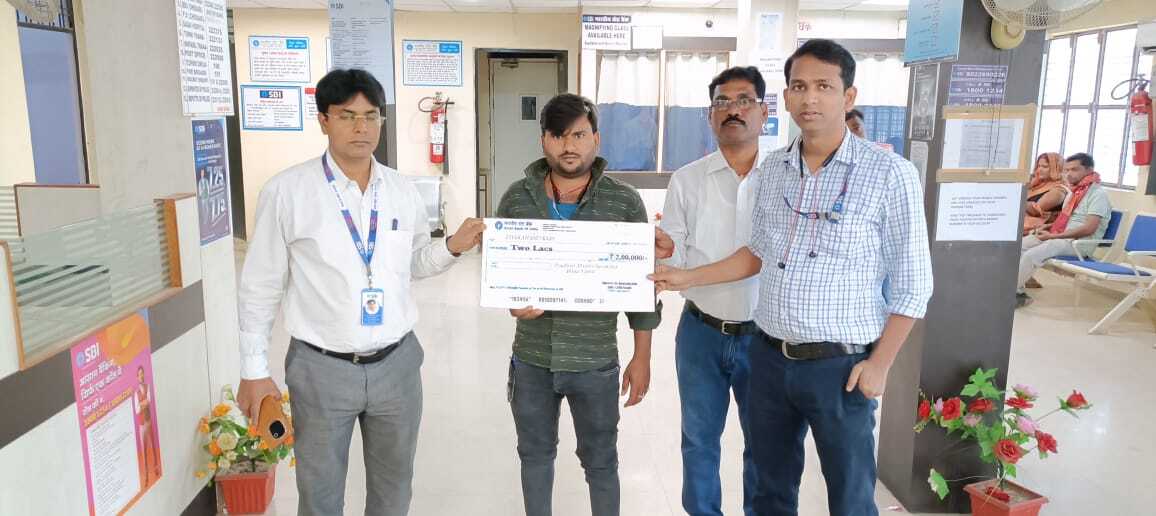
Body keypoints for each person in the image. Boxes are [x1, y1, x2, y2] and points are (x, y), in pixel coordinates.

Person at [651, 39, 934, 516]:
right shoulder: (776, 172)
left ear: (848, 96)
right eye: (799, 87)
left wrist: (880, 364)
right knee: (771, 491)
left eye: (824, 86)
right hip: (769, 360)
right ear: (785, 98)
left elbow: (914, 284)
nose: (810, 98)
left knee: (850, 497)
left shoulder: (890, 173)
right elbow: (756, 254)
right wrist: (686, 277)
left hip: (841, 367)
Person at [235, 68, 485, 516]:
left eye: (371, 116)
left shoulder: (402, 190)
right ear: (323, 120)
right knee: (320, 495)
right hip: (321, 369)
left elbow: (411, 263)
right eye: (347, 116)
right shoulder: (287, 192)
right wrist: (255, 369)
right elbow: (260, 286)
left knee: (394, 491)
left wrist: (451, 247)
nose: (361, 127)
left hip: (397, 366)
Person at [496, 93, 661, 516]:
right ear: (543, 140)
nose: (569, 146)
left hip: (594, 361)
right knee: (534, 456)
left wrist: (642, 356)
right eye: (558, 136)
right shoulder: (517, 198)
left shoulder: (624, 202)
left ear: (596, 139)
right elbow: (502, 272)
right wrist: (511, 300)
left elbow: (641, 290)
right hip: (532, 359)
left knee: (601, 462)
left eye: (579, 135)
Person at [654, 66, 767, 516]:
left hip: (767, 337)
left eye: (744, 101)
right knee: (699, 440)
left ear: (763, 112)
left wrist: (686, 276)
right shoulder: (687, 179)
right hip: (701, 333)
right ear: (710, 114)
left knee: (765, 443)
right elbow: (675, 252)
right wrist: (664, 255)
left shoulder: (784, 176)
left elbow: (768, 254)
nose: (732, 110)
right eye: (722, 102)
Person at [1016, 153, 1111, 308]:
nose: (1068, 174)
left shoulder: (1098, 194)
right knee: (1019, 246)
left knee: (1031, 255)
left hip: (1079, 244)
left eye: (1074, 169)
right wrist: (1048, 227)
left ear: (1089, 170)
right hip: (1061, 237)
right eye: (1066, 170)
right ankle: (1013, 286)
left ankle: (1014, 293)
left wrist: (1054, 236)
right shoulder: (1075, 192)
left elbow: (1089, 228)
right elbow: (1066, 220)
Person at [1023, 152, 1066, 236]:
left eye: (1045, 166)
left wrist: (1017, 201)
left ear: (1056, 168)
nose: (1039, 170)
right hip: (1026, 224)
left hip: (1039, 229)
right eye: (1038, 166)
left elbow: (1036, 210)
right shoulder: (1036, 183)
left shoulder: (1059, 190)